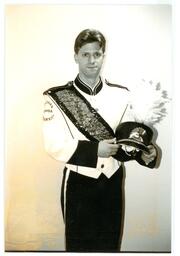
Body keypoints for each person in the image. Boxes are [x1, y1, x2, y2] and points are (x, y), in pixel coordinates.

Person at [42, 29, 158, 252]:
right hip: (78, 183)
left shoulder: (122, 95)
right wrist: (95, 149)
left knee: (110, 246)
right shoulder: (56, 97)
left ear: (104, 56)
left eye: (97, 54)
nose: (92, 60)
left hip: (112, 182)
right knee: (79, 248)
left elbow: (126, 143)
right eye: (85, 54)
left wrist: (145, 153)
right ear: (75, 56)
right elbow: (53, 144)